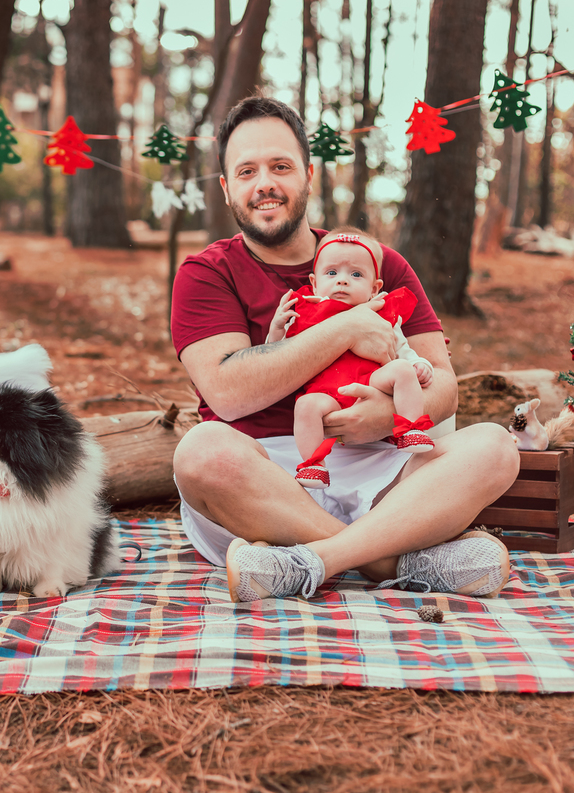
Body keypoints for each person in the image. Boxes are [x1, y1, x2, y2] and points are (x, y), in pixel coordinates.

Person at [170, 96, 519, 604]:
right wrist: (346, 329)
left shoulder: (375, 263)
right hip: (264, 484)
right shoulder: (207, 273)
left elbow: (443, 385)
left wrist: (387, 417)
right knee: (200, 453)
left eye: (281, 167)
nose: (264, 183)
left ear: (308, 175)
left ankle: (310, 563)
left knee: (493, 446)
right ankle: (390, 561)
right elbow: (227, 394)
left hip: (380, 471)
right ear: (226, 188)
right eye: (246, 171)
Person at [263, 227, 436, 490]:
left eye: (356, 274)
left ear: (374, 287)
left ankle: (411, 429)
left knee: (401, 369)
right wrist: (276, 329)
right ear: (314, 282)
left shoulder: (382, 312)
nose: (342, 281)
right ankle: (313, 464)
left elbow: (401, 348)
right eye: (331, 273)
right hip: (327, 394)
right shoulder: (304, 313)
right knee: (306, 406)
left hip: (372, 384)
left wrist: (418, 365)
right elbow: (276, 360)